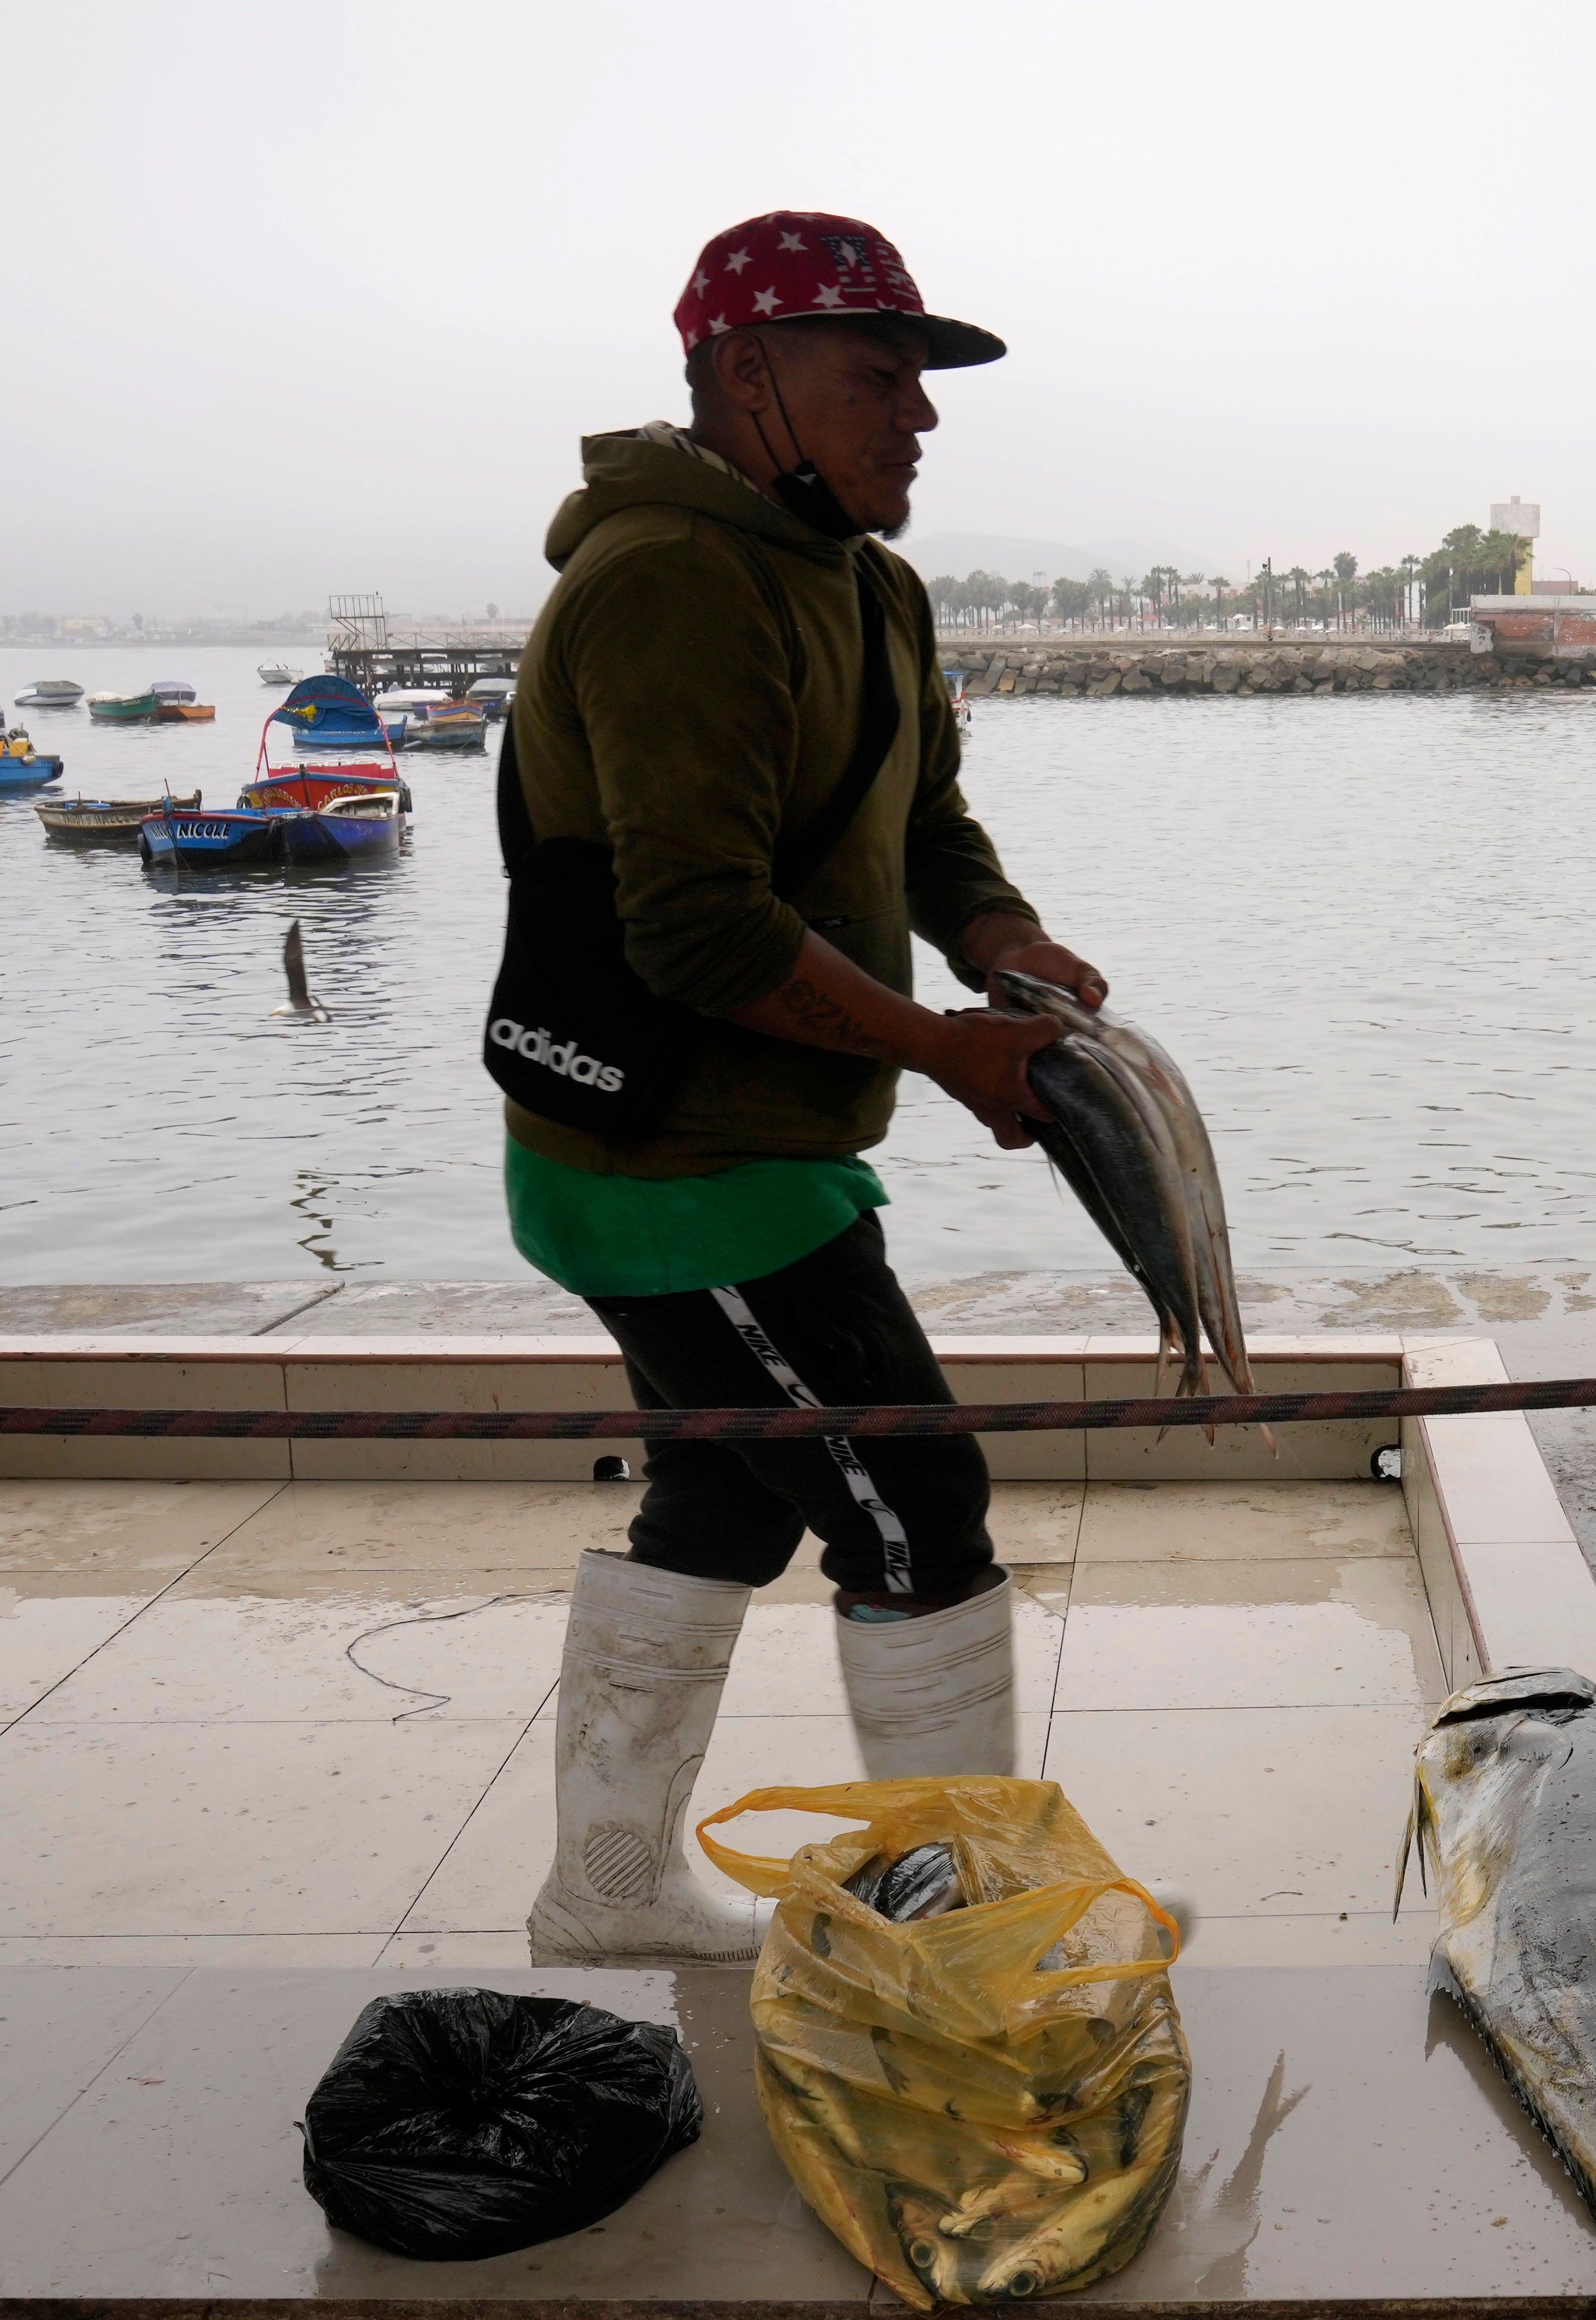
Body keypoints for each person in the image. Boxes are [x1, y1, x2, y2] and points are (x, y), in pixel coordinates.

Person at [491, 211, 1106, 1965]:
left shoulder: (872, 586)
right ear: (746, 378)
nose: (916, 413)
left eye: (921, 379)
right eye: (876, 375)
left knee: (733, 1487)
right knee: (918, 1502)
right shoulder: (667, 581)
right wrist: (946, 1053)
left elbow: (919, 825)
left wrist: (1002, 933)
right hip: (670, 1159)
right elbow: (692, 928)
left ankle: (606, 1897)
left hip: (764, 1150)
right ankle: (970, 1923)